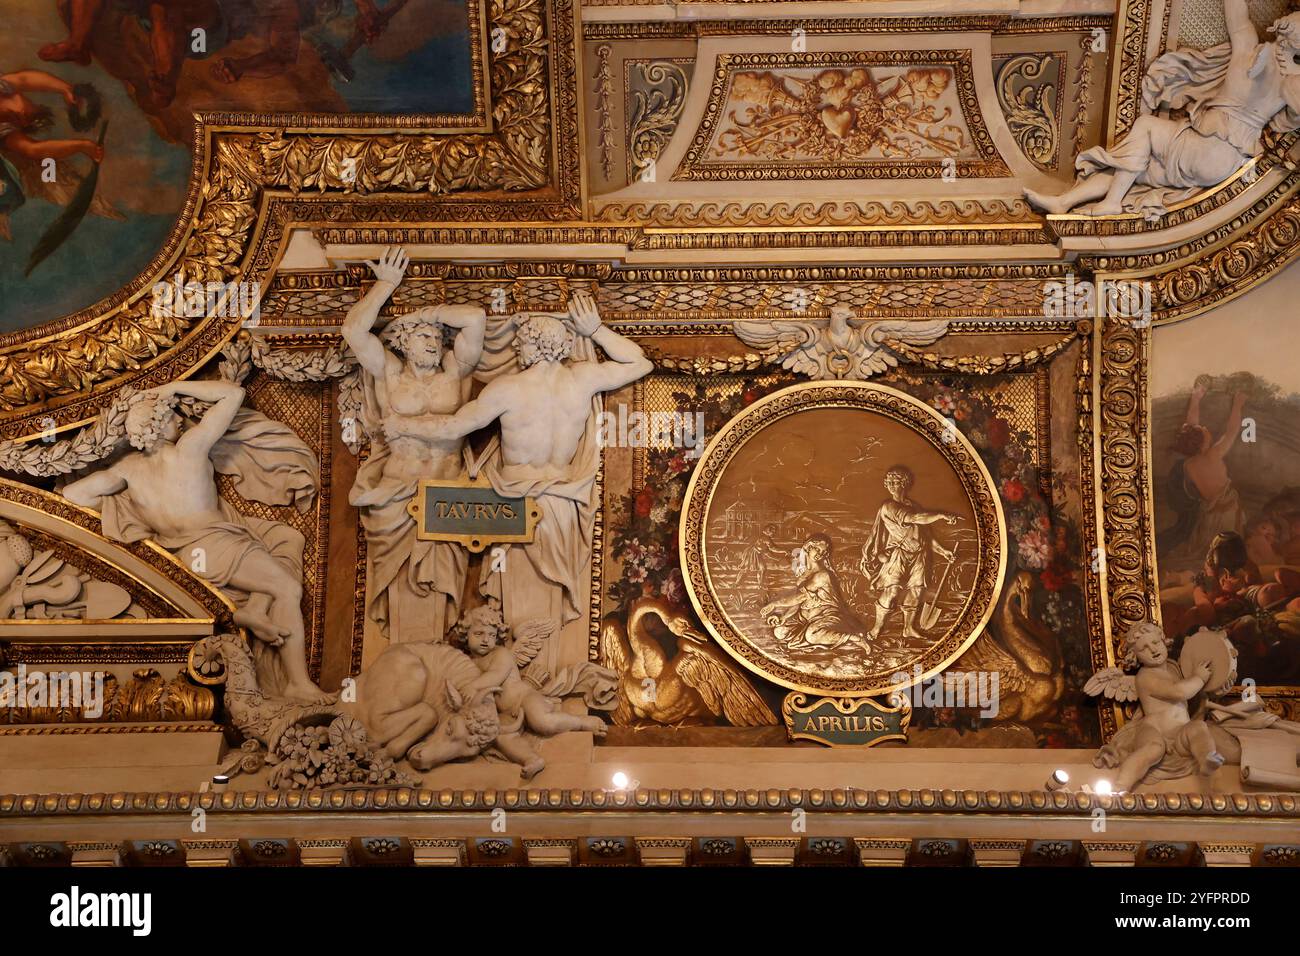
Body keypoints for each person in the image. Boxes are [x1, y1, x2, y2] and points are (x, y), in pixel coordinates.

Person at [63, 381, 323, 702]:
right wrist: (173, 387)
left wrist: (126, 508)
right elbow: (233, 394)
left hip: (184, 557)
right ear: (159, 424)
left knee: (286, 539)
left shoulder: (127, 470)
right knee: (287, 588)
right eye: (172, 415)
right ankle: (297, 682)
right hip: (216, 544)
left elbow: (72, 494)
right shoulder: (190, 448)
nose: (179, 421)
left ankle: (251, 609)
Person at [413, 293, 652, 642]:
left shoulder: (508, 388)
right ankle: (538, 676)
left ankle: (524, 677)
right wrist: (596, 329)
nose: (517, 351)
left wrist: (405, 427)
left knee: (515, 604)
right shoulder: (582, 379)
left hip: (513, 506)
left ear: (531, 344)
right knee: (546, 607)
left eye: (520, 343)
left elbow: (453, 428)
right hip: (561, 505)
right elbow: (640, 363)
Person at [1026, 0, 1300, 216]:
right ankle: (1065, 202)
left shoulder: (1248, 49)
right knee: (1131, 172)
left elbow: (1237, 12)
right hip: (1222, 161)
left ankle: (1110, 203)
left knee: (1144, 127)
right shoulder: (1288, 79)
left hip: (1207, 145)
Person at [342, 246, 486, 650]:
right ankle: (401, 659)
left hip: (447, 495)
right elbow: (354, 333)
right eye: (423, 337)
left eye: (438, 339)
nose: (434, 344)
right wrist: (385, 285)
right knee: (399, 584)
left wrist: (430, 315)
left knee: (441, 586)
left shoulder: (456, 372)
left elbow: (475, 318)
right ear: (404, 342)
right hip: (397, 492)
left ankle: (434, 660)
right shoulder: (389, 370)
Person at [1093, 622, 1225, 791]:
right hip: (1154, 730)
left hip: (1179, 731)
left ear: (1164, 641)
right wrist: (1199, 678)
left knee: (1198, 727)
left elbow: (1196, 667)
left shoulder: (1173, 668)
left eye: (1155, 643)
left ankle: (1207, 759)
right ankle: (1121, 786)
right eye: (1144, 649)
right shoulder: (1145, 677)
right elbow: (1178, 692)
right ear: (1135, 657)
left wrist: (1208, 645)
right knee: (1153, 749)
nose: (1153, 650)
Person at [859, 466, 957, 642]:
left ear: (905, 484)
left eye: (896, 482)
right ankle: (876, 628)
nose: (892, 485)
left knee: (916, 592)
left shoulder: (914, 506)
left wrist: (944, 552)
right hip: (898, 554)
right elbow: (915, 519)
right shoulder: (888, 506)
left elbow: (926, 537)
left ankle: (908, 628)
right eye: (889, 482)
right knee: (893, 591)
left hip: (919, 555)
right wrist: (941, 515)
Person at [1160, 382, 1246, 568]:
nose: (1205, 428)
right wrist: (1238, 404)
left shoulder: (1188, 464)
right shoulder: (1213, 455)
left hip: (1207, 515)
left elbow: (1191, 426)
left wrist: (1196, 398)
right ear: (1201, 441)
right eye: (1203, 430)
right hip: (1226, 513)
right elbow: (1232, 431)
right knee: (1227, 555)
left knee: (1210, 553)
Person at [761, 534, 867, 652]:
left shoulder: (822, 575)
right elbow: (798, 603)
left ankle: (854, 639)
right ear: (808, 547)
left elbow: (800, 597)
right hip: (806, 619)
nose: (819, 554)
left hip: (826, 617)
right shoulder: (803, 575)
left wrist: (775, 604)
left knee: (812, 635)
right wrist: (784, 618)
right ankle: (816, 638)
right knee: (779, 632)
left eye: (823, 552)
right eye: (817, 549)